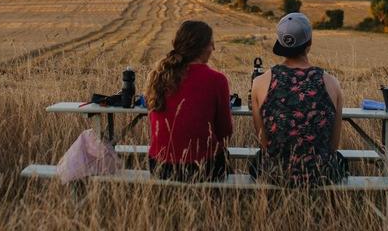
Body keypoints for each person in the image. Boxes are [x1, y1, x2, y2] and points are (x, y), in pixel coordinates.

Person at [250, 12, 347, 187]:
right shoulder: (332, 83)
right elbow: (333, 145)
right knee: (341, 161)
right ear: (309, 42)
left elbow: (263, 143)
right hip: (321, 174)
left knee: (255, 162)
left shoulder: (259, 83)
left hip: (276, 173)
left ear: (280, 43)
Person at [146, 20, 233, 180]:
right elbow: (225, 132)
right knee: (225, 158)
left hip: (159, 166)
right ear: (202, 47)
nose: (213, 48)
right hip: (201, 167)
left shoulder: (158, 76)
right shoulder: (217, 80)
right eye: (211, 44)